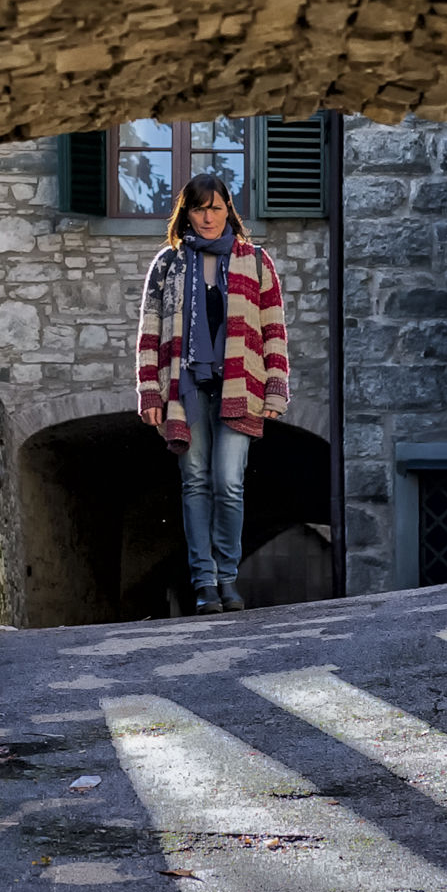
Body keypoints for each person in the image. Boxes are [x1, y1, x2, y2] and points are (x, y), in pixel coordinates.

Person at [136, 173, 291, 615]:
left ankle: (227, 577)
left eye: (216, 208)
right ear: (186, 213)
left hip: (241, 385)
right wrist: (149, 391)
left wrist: (276, 389)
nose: (207, 217)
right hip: (184, 388)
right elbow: (149, 331)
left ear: (228, 212)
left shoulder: (256, 261)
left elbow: (274, 328)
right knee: (195, 483)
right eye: (199, 209)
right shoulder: (168, 264)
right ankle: (204, 583)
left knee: (228, 482)